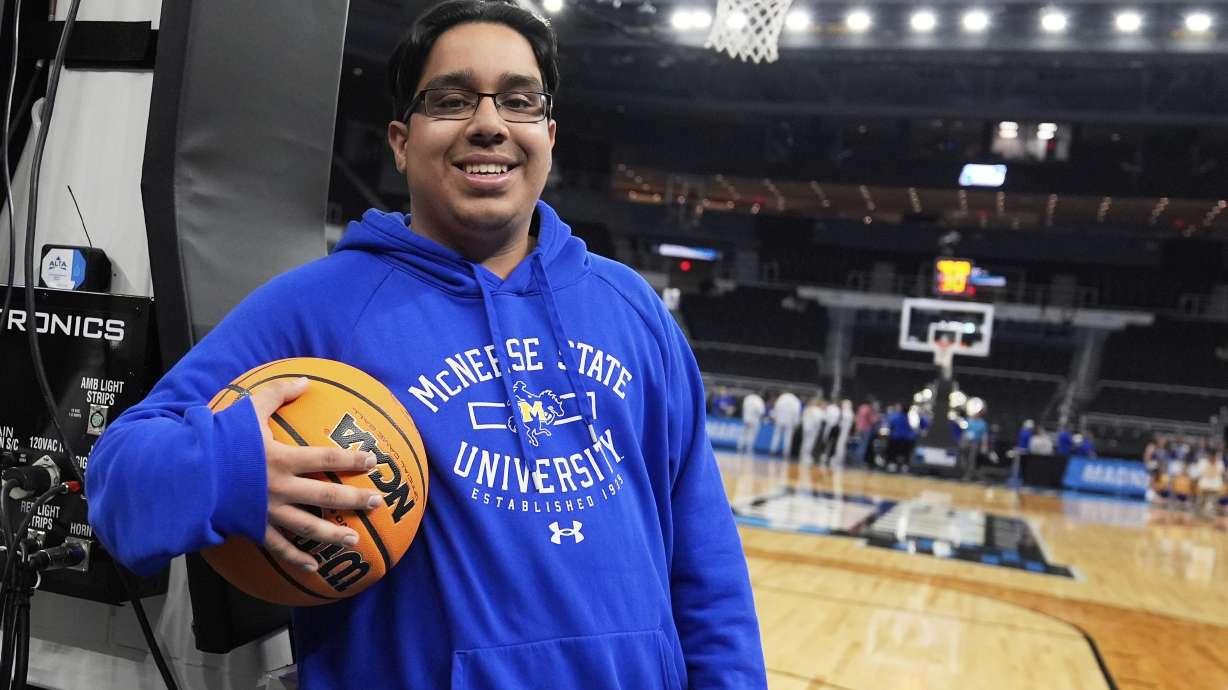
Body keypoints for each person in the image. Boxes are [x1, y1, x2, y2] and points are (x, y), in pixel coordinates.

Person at [85, 3, 767, 687]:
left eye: (519, 101)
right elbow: (117, 486)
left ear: (548, 135)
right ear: (402, 141)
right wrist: (229, 469)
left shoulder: (634, 310)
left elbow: (708, 574)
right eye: (452, 99)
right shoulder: (320, 308)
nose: (490, 124)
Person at [770, 390, 802, 459]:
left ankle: (773, 450)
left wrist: (774, 417)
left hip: (780, 420)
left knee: (776, 435)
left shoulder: (782, 398)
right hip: (789, 421)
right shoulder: (795, 401)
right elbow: (796, 413)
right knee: (788, 437)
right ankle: (786, 453)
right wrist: (796, 423)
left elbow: (776, 408)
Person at [738, 390, 766, 456]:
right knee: (752, 435)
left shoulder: (748, 398)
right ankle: (749, 449)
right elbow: (761, 411)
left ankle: (739, 447)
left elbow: (743, 407)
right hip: (754, 420)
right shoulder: (759, 400)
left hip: (746, 418)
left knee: (743, 434)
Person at [799, 397, 826, 465]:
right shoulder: (817, 410)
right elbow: (819, 420)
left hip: (806, 428)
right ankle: (806, 456)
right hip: (813, 429)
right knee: (810, 443)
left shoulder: (807, 409)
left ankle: (802, 455)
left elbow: (802, 418)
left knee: (805, 442)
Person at [831, 399, 855, 466]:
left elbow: (840, 423)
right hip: (845, 431)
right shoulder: (850, 413)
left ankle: (838, 459)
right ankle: (840, 459)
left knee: (840, 445)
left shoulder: (846, 412)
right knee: (842, 445)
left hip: (843, 431)